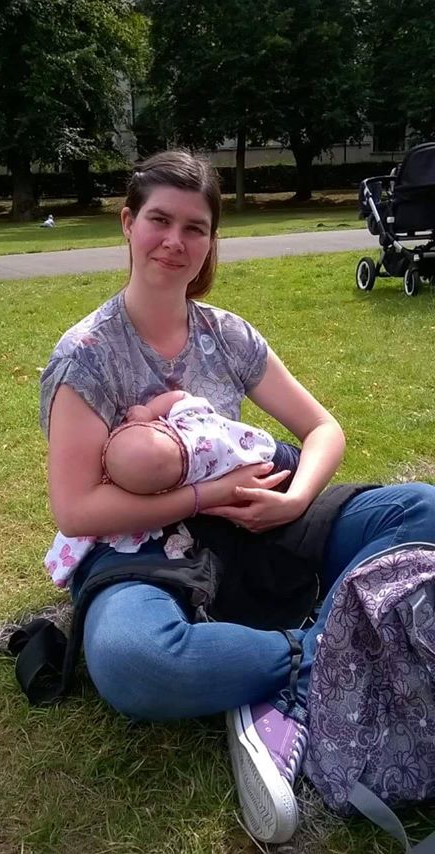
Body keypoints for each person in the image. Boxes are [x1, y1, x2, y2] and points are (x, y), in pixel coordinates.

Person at [40, 150, 435, 844]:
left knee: (421, 508)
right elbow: (76, 510)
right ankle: (316, 656)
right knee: (135, 663)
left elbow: (323, 429)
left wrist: (295, 499)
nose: (175, 241)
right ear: (128, 223)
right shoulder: (87, 354)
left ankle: (273, 667)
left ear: (210, 241)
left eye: (195, 227)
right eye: (159, 220)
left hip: (259, 517)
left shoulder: (225, 334)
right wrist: (205, 494)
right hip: (148, 544)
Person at [44, 388, 301, 588]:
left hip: (265, 458)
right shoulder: (174, 465)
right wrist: (216, 493)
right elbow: (180, 397)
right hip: (255, 481)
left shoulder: (184, 423)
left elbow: (181, 397)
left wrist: (296, 500)